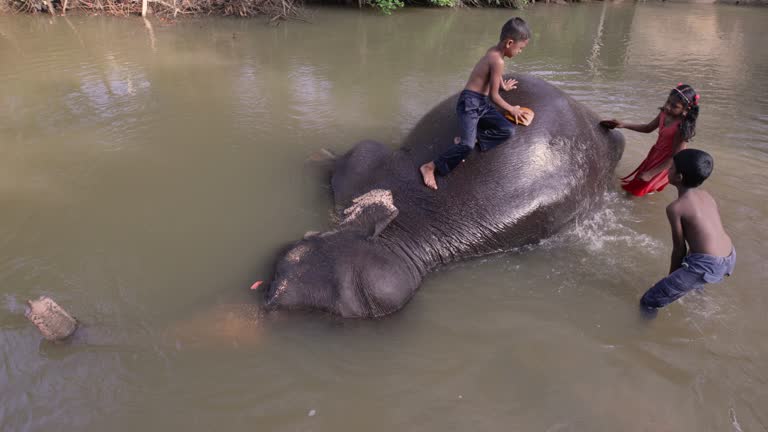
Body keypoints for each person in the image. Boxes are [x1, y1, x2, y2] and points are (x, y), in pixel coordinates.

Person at [420, 17, 532, 190]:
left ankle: (475, 137)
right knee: (467, 145)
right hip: (470, 104)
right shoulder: (498, 60)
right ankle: (431, 166)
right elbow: (494, 97)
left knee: (507, 130)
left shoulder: (495, 52)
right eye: (521, 48)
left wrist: (503, 85)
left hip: (481, 103)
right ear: (510, 43)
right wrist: (512, 109)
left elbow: (493, 76)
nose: (520, 52)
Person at [639, 149, 735, 310]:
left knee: (649, 300)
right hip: (729, 255)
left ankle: (642, 330)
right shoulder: (706, 195)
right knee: (692, 257)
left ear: (679, 177)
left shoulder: (676, 208)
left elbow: (679, 249)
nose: (667, 170)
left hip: (708, 264)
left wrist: (670, 280)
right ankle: (697, 293)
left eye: (671, 168)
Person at [601, 84, 700, 197]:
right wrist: (623, 125)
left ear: (686, 110)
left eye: (674, 106)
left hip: (666, 162)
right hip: (655, 154)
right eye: (668, 102)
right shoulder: (664, 113)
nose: (668, 107)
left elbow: (676, 157)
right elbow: (648, 128)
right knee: (639, 184)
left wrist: (651, 173)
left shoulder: (681, 128)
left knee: (639, 189)